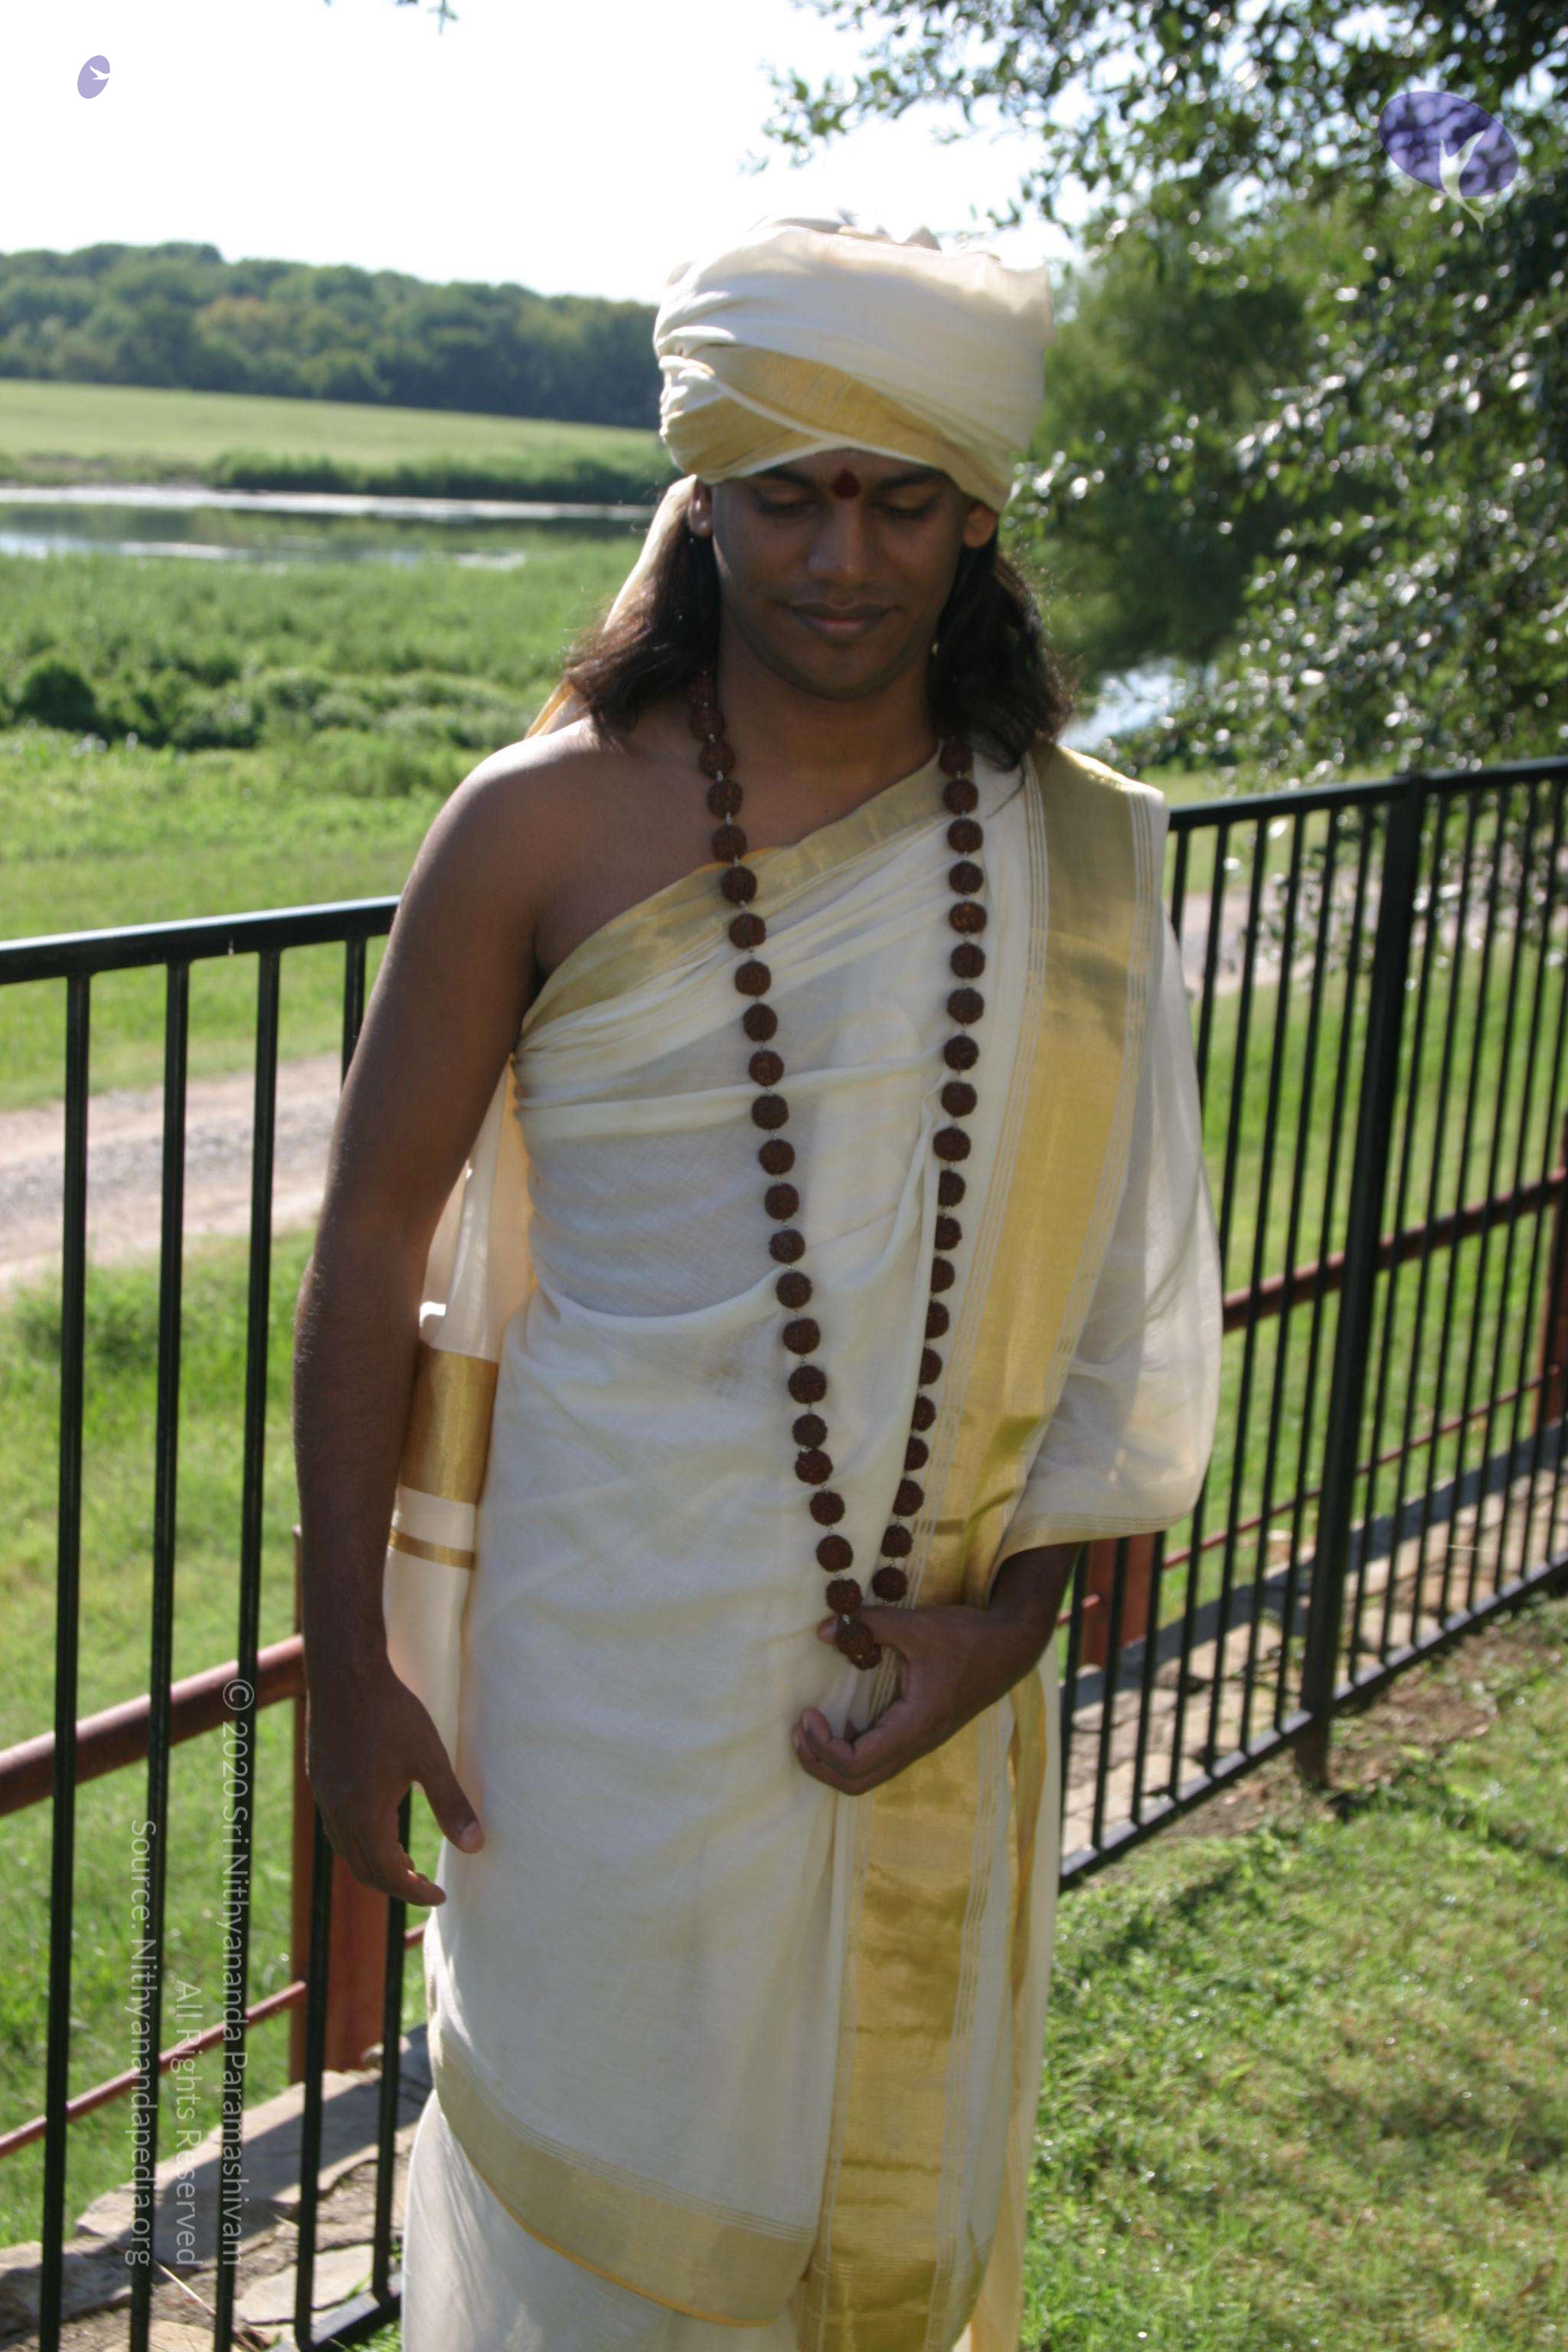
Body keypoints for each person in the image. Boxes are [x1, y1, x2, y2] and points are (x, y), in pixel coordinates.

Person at [292, 210, 1223, 2352]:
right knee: (589, 2228)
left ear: (976, 520)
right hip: (592, 1681)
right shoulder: (531, 828)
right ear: (703, 502)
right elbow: (366, 1247)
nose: (841, 557)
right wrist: (346, 1657)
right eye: (790, 495)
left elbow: (1113, 1296)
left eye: (899, 500)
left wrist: (1015, 1622)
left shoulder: (1080, 853)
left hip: (924, 1672)